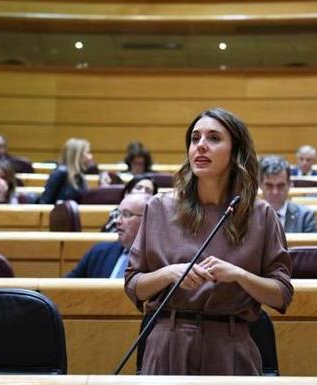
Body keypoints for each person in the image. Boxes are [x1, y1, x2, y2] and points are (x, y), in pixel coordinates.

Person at [124, 107, 293, 375]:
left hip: (231, 346)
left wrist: (238, 275)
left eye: (214, 138)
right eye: (195, 138)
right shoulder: (158, 208)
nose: (201, 145)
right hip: (168, 342)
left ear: (235, 151)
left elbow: (282, 294)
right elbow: (133, 286)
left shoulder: (261, 215)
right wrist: (169, 274)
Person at [67, 193, 152, 278]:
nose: (118, 221)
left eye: (126, 214)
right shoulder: (99, 252)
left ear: (146, 219)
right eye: (118, 214)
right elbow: (65, 287)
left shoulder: (160, 262)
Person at [259, 155, 317, 233]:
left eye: (280, 185)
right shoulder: (250, 216)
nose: (275, 192)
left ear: (289, 184)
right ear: (260, 184)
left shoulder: (305, 217)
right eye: (269, 185)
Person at [39, 138, 93, 204]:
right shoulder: (60, 172)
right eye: (87, 152)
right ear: (77, 155)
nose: (90, 156)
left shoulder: (79, 175)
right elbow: (45, 201)